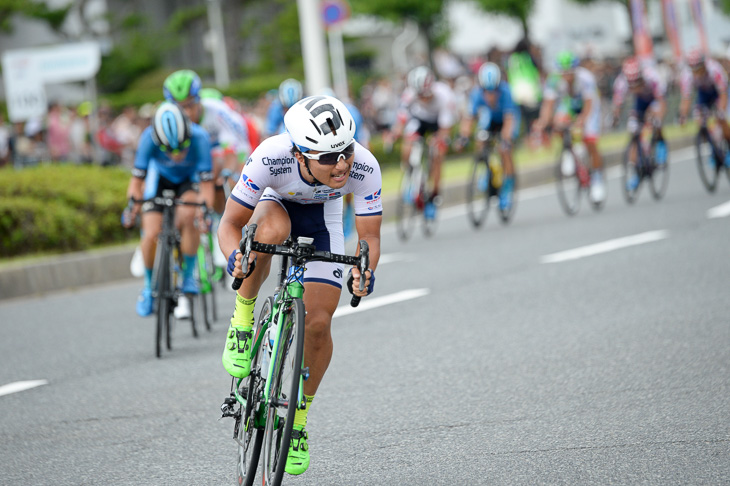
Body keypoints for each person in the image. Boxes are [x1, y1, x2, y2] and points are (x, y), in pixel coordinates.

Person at [218, 95, 382, 476]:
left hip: (324, 222)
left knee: (319, 324)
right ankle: (243, 323)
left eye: (345, 151)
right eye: (327, 157)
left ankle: (297, 422)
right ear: (299, 153)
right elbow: (229, 225)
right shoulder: (270, 157)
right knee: (272, 231)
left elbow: (369, 237)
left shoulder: (364, 166)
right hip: (277, 206)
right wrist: (235, 259)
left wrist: (364, 272)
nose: (341, 164)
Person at [122, 102, 214, 318]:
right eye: (168, 150)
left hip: (187, 180)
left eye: (181, 147)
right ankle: (147, 287)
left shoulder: (200, 138)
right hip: (159, 179)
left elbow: (207, 188)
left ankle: (188, 275)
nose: (176, 154)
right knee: (151, 233)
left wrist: (204, 211)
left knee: (190, 214)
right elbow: (136, 183)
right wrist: (132, 208)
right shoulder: (148, 138)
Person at [163, 70, 251, 215]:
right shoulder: (170, 119)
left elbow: (233, 152)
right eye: (180, 107)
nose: (187, 113)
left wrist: (228, 173)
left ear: (198, 99)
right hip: (200, 156)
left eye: (190, 105)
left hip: (233, 151)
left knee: (222, 174)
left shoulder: (217, 112)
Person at [534, 50, 606, 204]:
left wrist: (582, 120)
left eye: (570, 72)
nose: (567, 76)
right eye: (563, 73)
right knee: (558, 122)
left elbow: (589, 104)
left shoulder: (585, 78)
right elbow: (548, 105)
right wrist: (542, 122)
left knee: (590, 140)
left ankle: (597, 179)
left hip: (588, 107)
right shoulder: (553, 80)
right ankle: (568, 150)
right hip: (569, 105)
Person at [387, 65, 458, 220]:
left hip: (438, 122)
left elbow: (446, 129)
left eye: (426, 95)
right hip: (419, 120)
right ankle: (409, 176)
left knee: (438, 155)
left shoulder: (444, 95)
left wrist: (439, 139)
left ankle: (434, 196)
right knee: (407, 145)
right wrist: (394, 135)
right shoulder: (409, 95)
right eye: (420, 96)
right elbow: (401, 121)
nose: (424, 99)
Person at [458, 61, 520, 211]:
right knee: (480, 139)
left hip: (506, 120)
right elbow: (469, 118)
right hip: (490, 119)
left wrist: (505, 139)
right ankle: (484, 170)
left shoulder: (506, 92)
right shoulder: (476, 94)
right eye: (487, 91)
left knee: (505, 149)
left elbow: (509, 120)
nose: (491, 95)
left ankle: (508, 187)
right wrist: (463, 136)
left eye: (494, 91)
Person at [612, 56, 668, 189]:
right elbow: (617, 104)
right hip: (639, 102)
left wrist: (658, 118)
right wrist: (615, 118)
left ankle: (660, 145)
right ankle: (636, 170)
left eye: (636, 82)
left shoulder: (652, 77)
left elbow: (662, 102)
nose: (634, 86)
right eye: (631, 84)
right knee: (633, 131)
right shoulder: (621, 83)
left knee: (654, 119)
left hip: (653, 99)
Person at [679, 48, 730, 166]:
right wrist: (683, 115)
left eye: (698, 69)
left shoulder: (714, 69)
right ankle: (714, 150)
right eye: (693, 70)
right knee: (700, 120)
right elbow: (686, 98)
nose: (696, 72)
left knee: (721, 119)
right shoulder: (687, 75)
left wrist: (721, 111)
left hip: (718, 93)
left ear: (703, 65)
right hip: (703, 95)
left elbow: (723, 93)